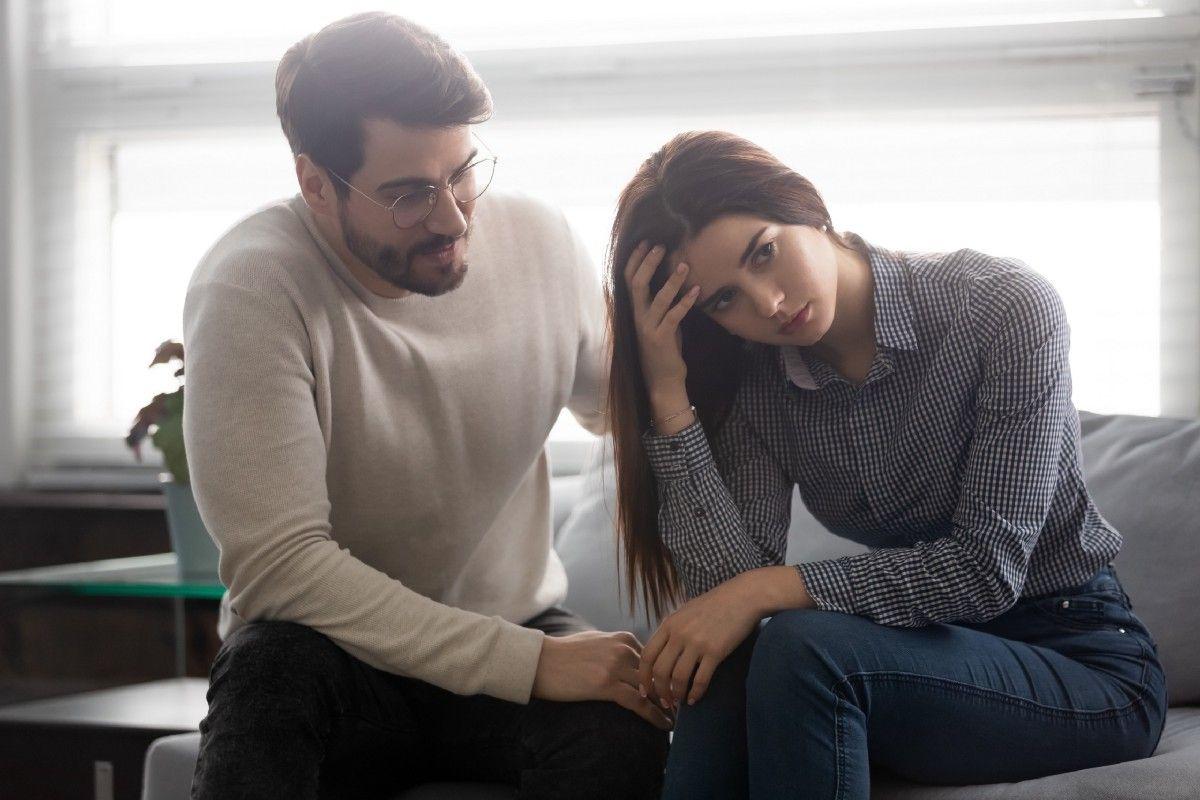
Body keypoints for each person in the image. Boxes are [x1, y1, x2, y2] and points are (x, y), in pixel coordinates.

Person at [183, 13, 668, 799]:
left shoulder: (541, 243)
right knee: (269, 680)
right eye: (408, 195)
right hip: (332, 655)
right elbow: (279, 568)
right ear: (316, 184)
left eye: (463, 172)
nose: (452, 218)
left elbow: (623, 410)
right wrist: (530, 664)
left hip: (512, 623)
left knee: (624, 732)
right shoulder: (251, 286)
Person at [605, 129, 1167, 799]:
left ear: (804, 204)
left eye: (765, 253)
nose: (769, 304)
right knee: (731, 660)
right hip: (919, 658)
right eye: (725, 299)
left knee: (802, 646)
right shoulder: (759, 386)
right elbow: (725, 600)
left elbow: (987, 570)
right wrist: (669, 396)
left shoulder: (1002, 307)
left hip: (1079, 661)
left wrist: (767, 590)